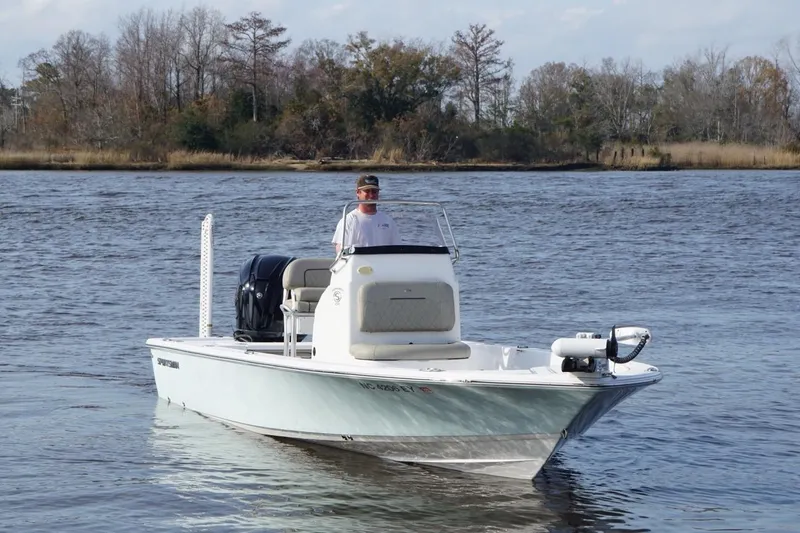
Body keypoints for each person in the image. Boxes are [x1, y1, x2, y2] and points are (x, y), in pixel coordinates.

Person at [332, 174, 401, 253]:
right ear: (358, 192)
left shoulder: (388, 221)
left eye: (374, 191)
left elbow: (397, 250)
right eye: (367, 191)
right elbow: (341, 253)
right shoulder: (348, 221)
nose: (371, 195)